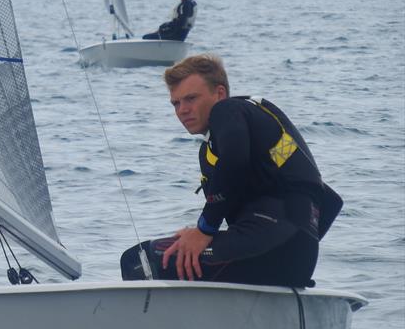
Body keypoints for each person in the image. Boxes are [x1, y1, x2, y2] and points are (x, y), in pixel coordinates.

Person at [120, 54, 343, 288]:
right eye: (176, 103)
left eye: (191, 99)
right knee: (182, 247)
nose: (183, 110)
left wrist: (204, 229)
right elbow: (330, 201)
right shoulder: (250, 132)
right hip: (296, 255)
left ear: (219, 93)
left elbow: (233, 163)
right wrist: (296, 258)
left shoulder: (228, 110)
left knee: (141, 259)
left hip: (272, 243)